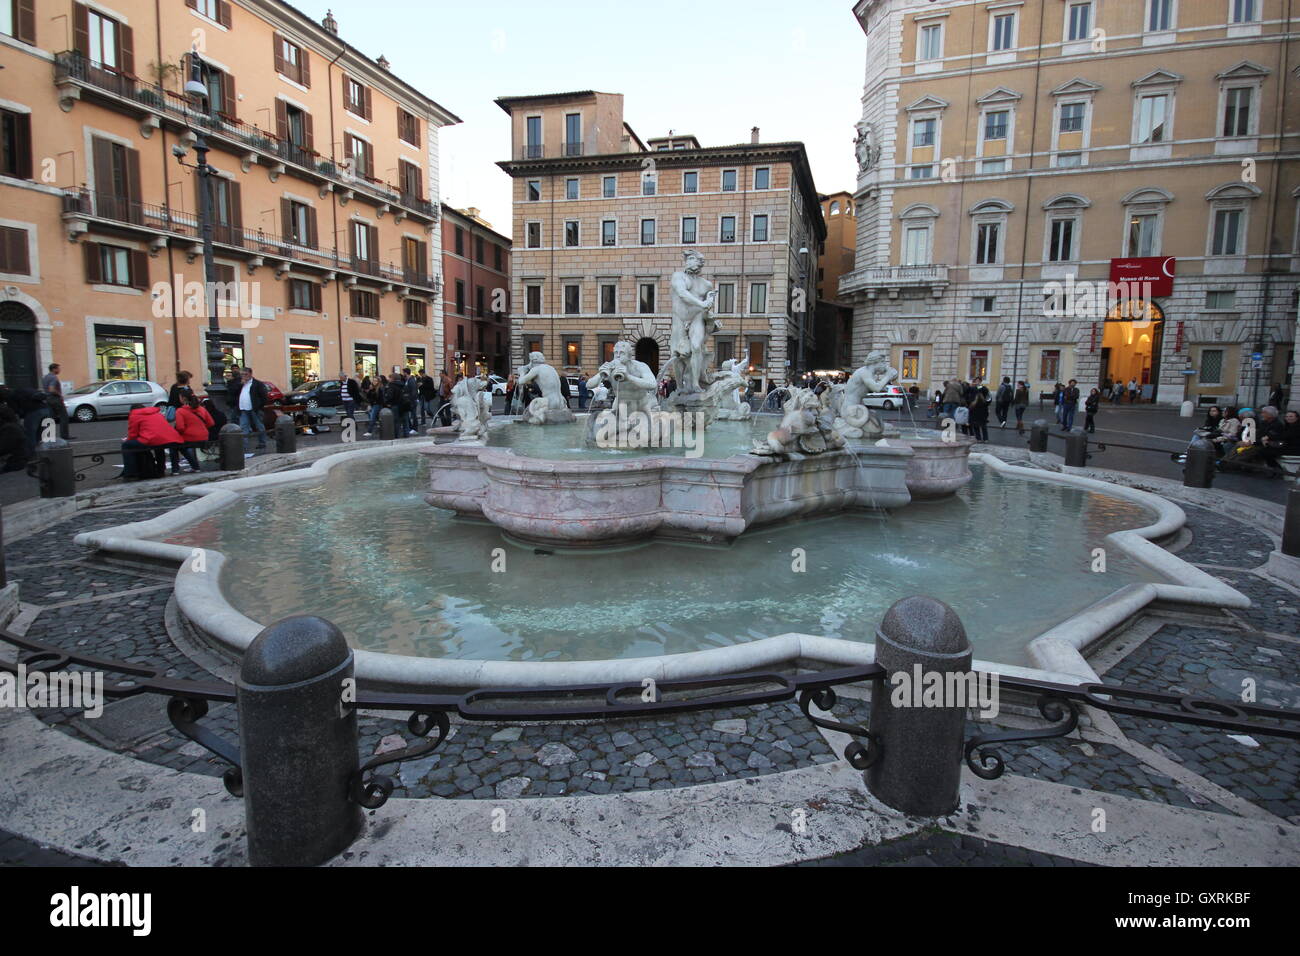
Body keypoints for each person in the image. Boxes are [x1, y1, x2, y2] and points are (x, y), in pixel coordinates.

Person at [121, 405, 181, 480]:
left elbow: (133, 434)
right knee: (159, 446)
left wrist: (128, 440)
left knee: (126, 445)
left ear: (132, 411)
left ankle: (131, 473)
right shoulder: (157, 413)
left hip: (152, 439)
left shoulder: (134, 415)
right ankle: (161, 470)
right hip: (170, 438)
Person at [172, 394, 213, 473]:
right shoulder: (202, 409)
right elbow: (211, 423)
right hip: (204, 436)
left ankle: (175, 470)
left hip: (190, 437)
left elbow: (180, 427)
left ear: (183, 399)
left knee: (174, 447)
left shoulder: (180, 411)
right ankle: (195, 467)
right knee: (182, 447)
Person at [235, 366, 269, 455]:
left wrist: (259, 406)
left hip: (254, 409)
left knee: (259, 426)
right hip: (243, 408)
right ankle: (243, 446)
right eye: (242, 374)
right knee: (243, 427)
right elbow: (233, 393)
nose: (243, 376)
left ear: (250, 374)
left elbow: (264, 397)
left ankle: (262, 442)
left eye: (245, 374)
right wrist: (240, 385)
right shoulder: (240, 384)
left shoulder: (257, 384)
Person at [41, 363, 71, 440]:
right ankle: (64, 435)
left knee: (50, 417)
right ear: (54, 369)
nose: (59, 370)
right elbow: (51, 389)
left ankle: (49, 436)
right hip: (55, 398)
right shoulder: (54, 378)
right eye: (58, 368)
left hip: (47, 398)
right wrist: (59, 394)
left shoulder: (45, 377)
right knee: (64, 416)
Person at [0, 405, 28, 472]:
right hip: (17, 460)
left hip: (14, 462)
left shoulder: (9, 428)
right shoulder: (13, 425)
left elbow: (3, 448)